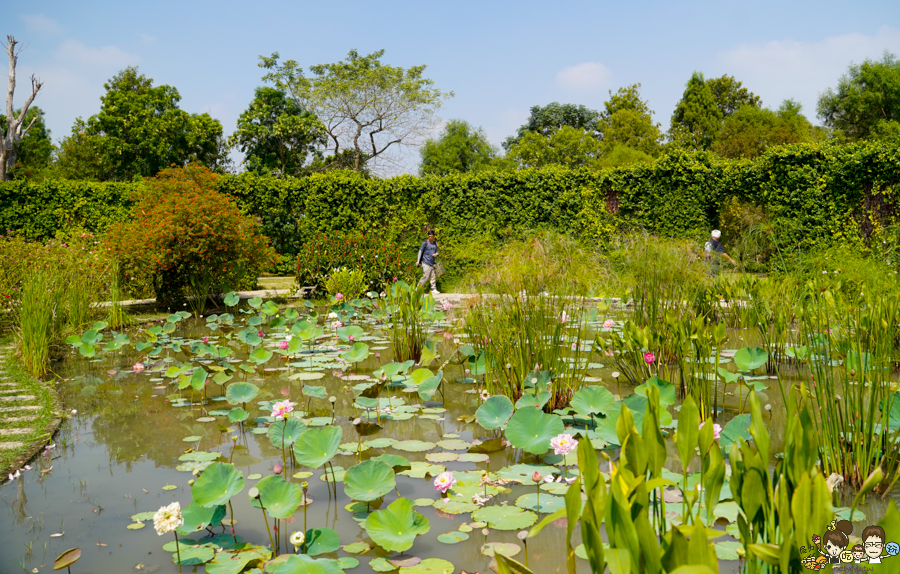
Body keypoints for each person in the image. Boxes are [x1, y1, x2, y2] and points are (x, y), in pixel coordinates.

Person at [416, 230, 440, 294]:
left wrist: (436, 254)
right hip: (425, 262)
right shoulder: (425, 243)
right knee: (425, 276)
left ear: (433, 236)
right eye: (429, 236)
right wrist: (418, 260)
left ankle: (433, 289)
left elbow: (437, 252)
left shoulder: (435, 244)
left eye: (431, 236)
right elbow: (420, 252)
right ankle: (418, 289)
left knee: (433, 276)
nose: (430, 238)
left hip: (432, 262)